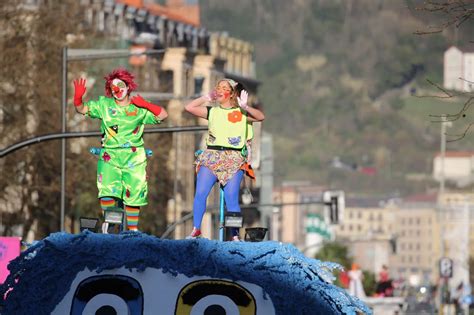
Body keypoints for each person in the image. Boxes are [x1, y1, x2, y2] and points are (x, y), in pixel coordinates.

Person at [72, 68, 168, 231]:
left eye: (120, 85)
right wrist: (77, 99)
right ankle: (110, 224)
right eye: (112, 87)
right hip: (110, 155)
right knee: (108, 189)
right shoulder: (104, 105)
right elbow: (82, 109)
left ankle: (132, 231)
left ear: (128, 86)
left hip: (134, 157)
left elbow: (162, 115)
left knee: (134, 195)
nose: (117, 90)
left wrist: (146, 104)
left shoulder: (138, 109)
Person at [184, 78, 265, 241]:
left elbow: (260, 116)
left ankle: (234, 234)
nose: (219, 90)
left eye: (223, 88)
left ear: (231, 93)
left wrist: (245, 107)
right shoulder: (212, 111)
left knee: (231, 197)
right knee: (200, 193)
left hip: (233, 158)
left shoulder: (241, 114)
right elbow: (189, 107)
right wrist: (206, 97)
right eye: (218, 87)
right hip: (212, 155)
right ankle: (196, 229)